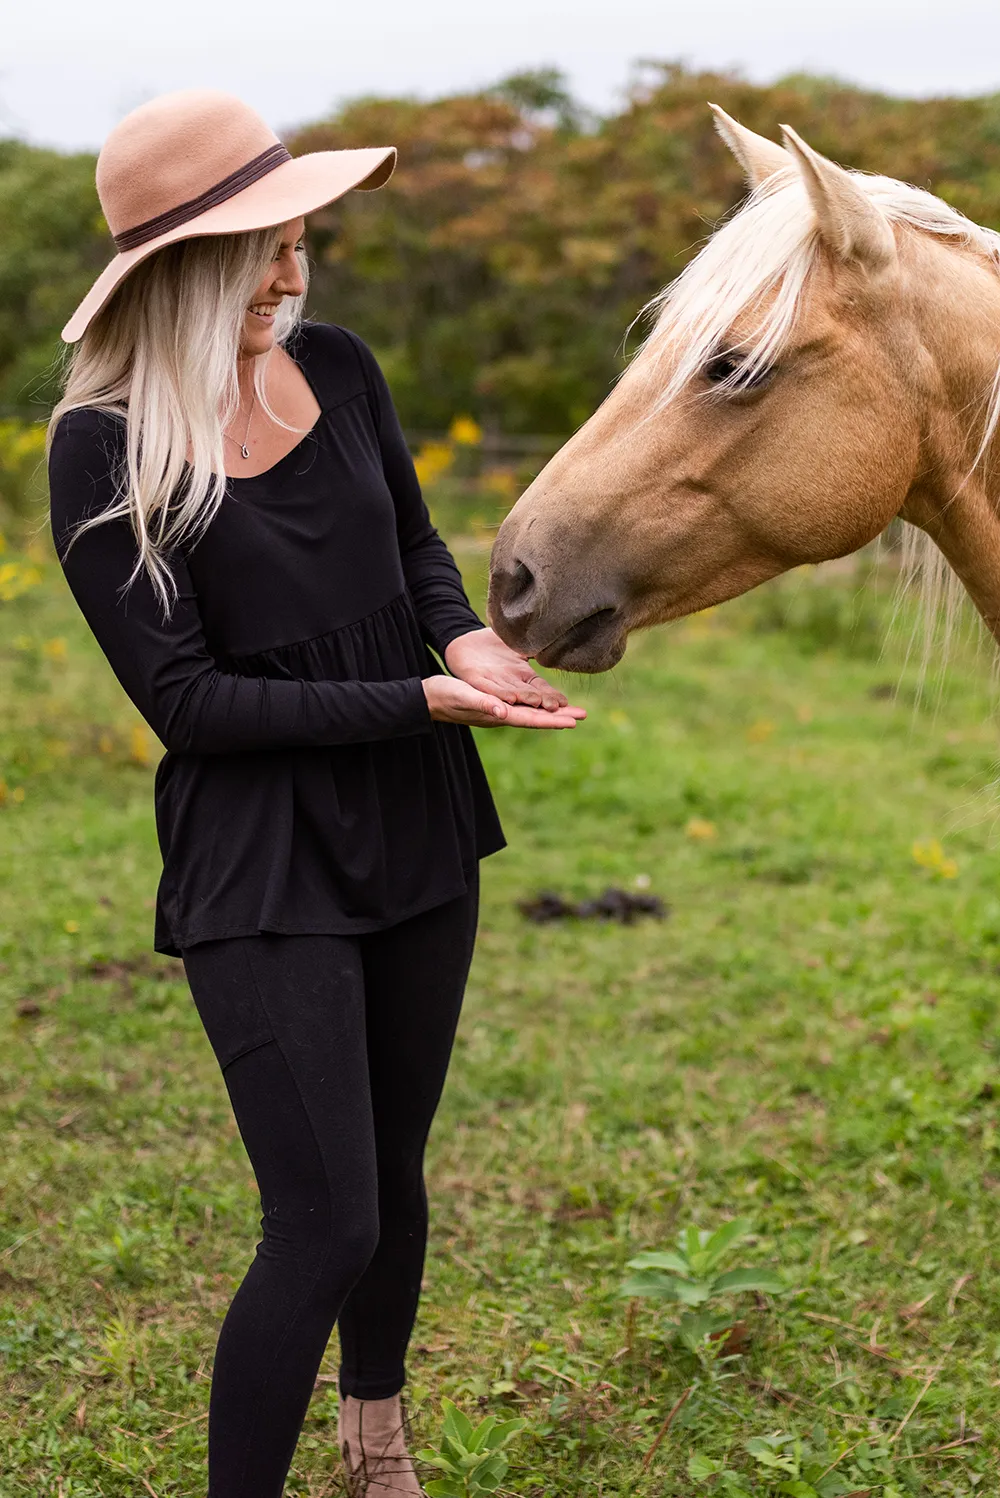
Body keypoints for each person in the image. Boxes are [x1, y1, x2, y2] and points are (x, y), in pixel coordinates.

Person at [47, 90, 585, 1498]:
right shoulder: (100, 449)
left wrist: (467, 642)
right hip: (262, 860)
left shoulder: (338, 368)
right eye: (265, 252)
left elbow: (413, 549)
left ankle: (377, 1437)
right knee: (322, 1217)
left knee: (393, 1172)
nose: (296, 276)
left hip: (418, 819)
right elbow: (191, 704)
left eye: (302, 243)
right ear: (179, 269)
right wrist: (419, 695)